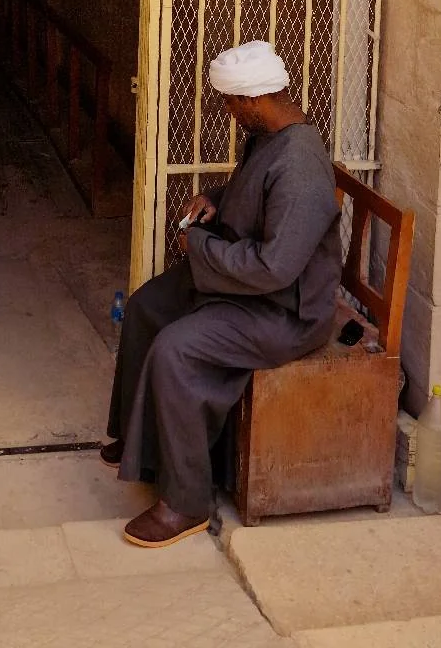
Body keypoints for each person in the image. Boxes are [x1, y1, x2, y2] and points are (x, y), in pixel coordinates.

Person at [104, 40, 343, 548]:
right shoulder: (268, 138)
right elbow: (252, 200)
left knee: (177, 351)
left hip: (283, 313)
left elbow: (274, 269)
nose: (228, 112)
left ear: (253, 101)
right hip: (248, 283)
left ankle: (186, 501)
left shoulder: (300, 168)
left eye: (231, 104)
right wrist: (214, 201)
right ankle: (144, 445)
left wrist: (199, 247)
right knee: (148, 306)